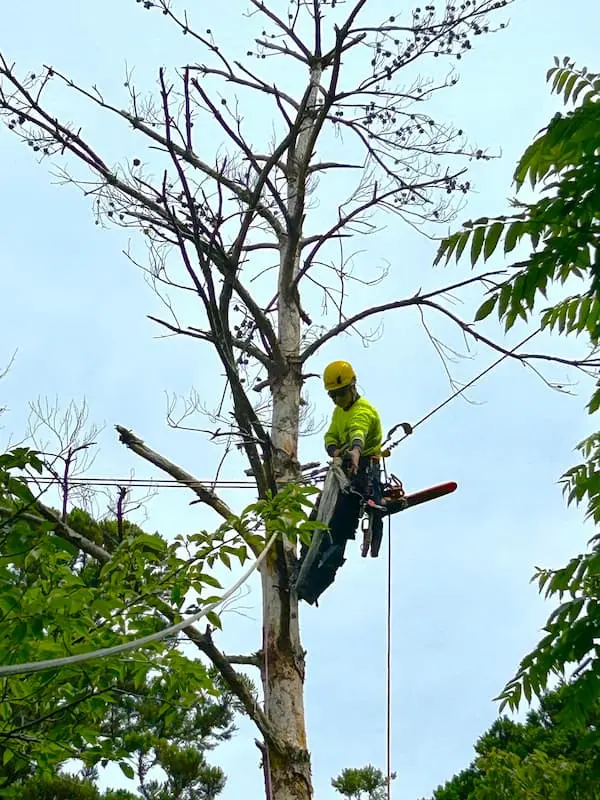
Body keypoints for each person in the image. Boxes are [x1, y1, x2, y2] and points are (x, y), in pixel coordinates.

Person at [297, 361, 384, 605]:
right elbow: (330, 436)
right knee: (315, 522)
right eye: (332, 395)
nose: (337, 399)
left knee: (337, 530)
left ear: (353, 386)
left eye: (341, 393)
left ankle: (313, 586)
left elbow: (358, 431)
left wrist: (354, 451)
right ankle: (299, 566)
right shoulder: (339, 412)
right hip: (340, 476)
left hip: (362, 475)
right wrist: (335, 450)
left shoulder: (363, 410)